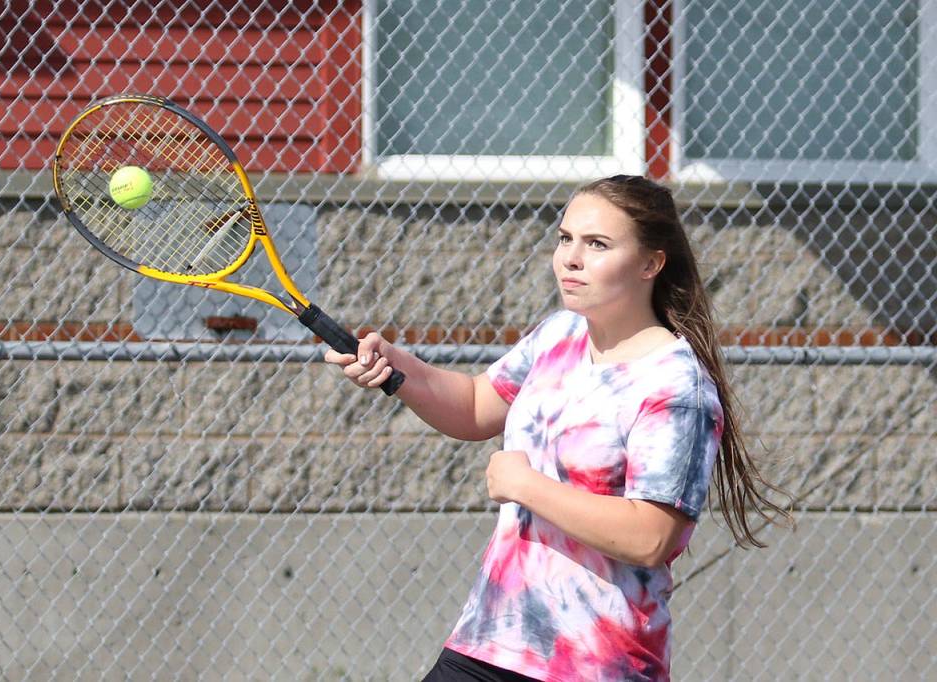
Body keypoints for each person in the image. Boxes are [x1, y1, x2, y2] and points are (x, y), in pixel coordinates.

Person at [325, 175, 791, 681]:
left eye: (597, 244)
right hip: (489, 642)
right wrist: (398, 369)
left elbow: (650, 537)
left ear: (651, 264)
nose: (570, 258)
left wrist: (527, 487)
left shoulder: (676, 386)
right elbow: (478, 404)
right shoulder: (559, 334)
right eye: (565, 238)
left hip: (594, 664)